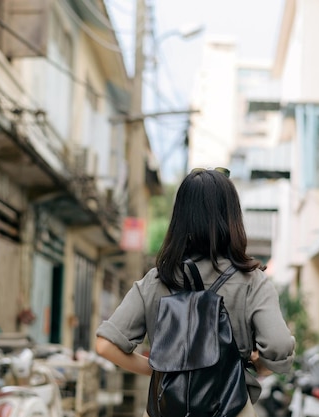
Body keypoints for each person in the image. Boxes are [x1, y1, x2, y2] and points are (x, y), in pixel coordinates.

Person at [95, 167, 295, 416]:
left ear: (180, 217)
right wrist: (261, 367)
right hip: (231, 409)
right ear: (232, 216)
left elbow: (105, 346)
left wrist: (160, 369)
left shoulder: (157, 279)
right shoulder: (252, 280)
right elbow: (278, 344)